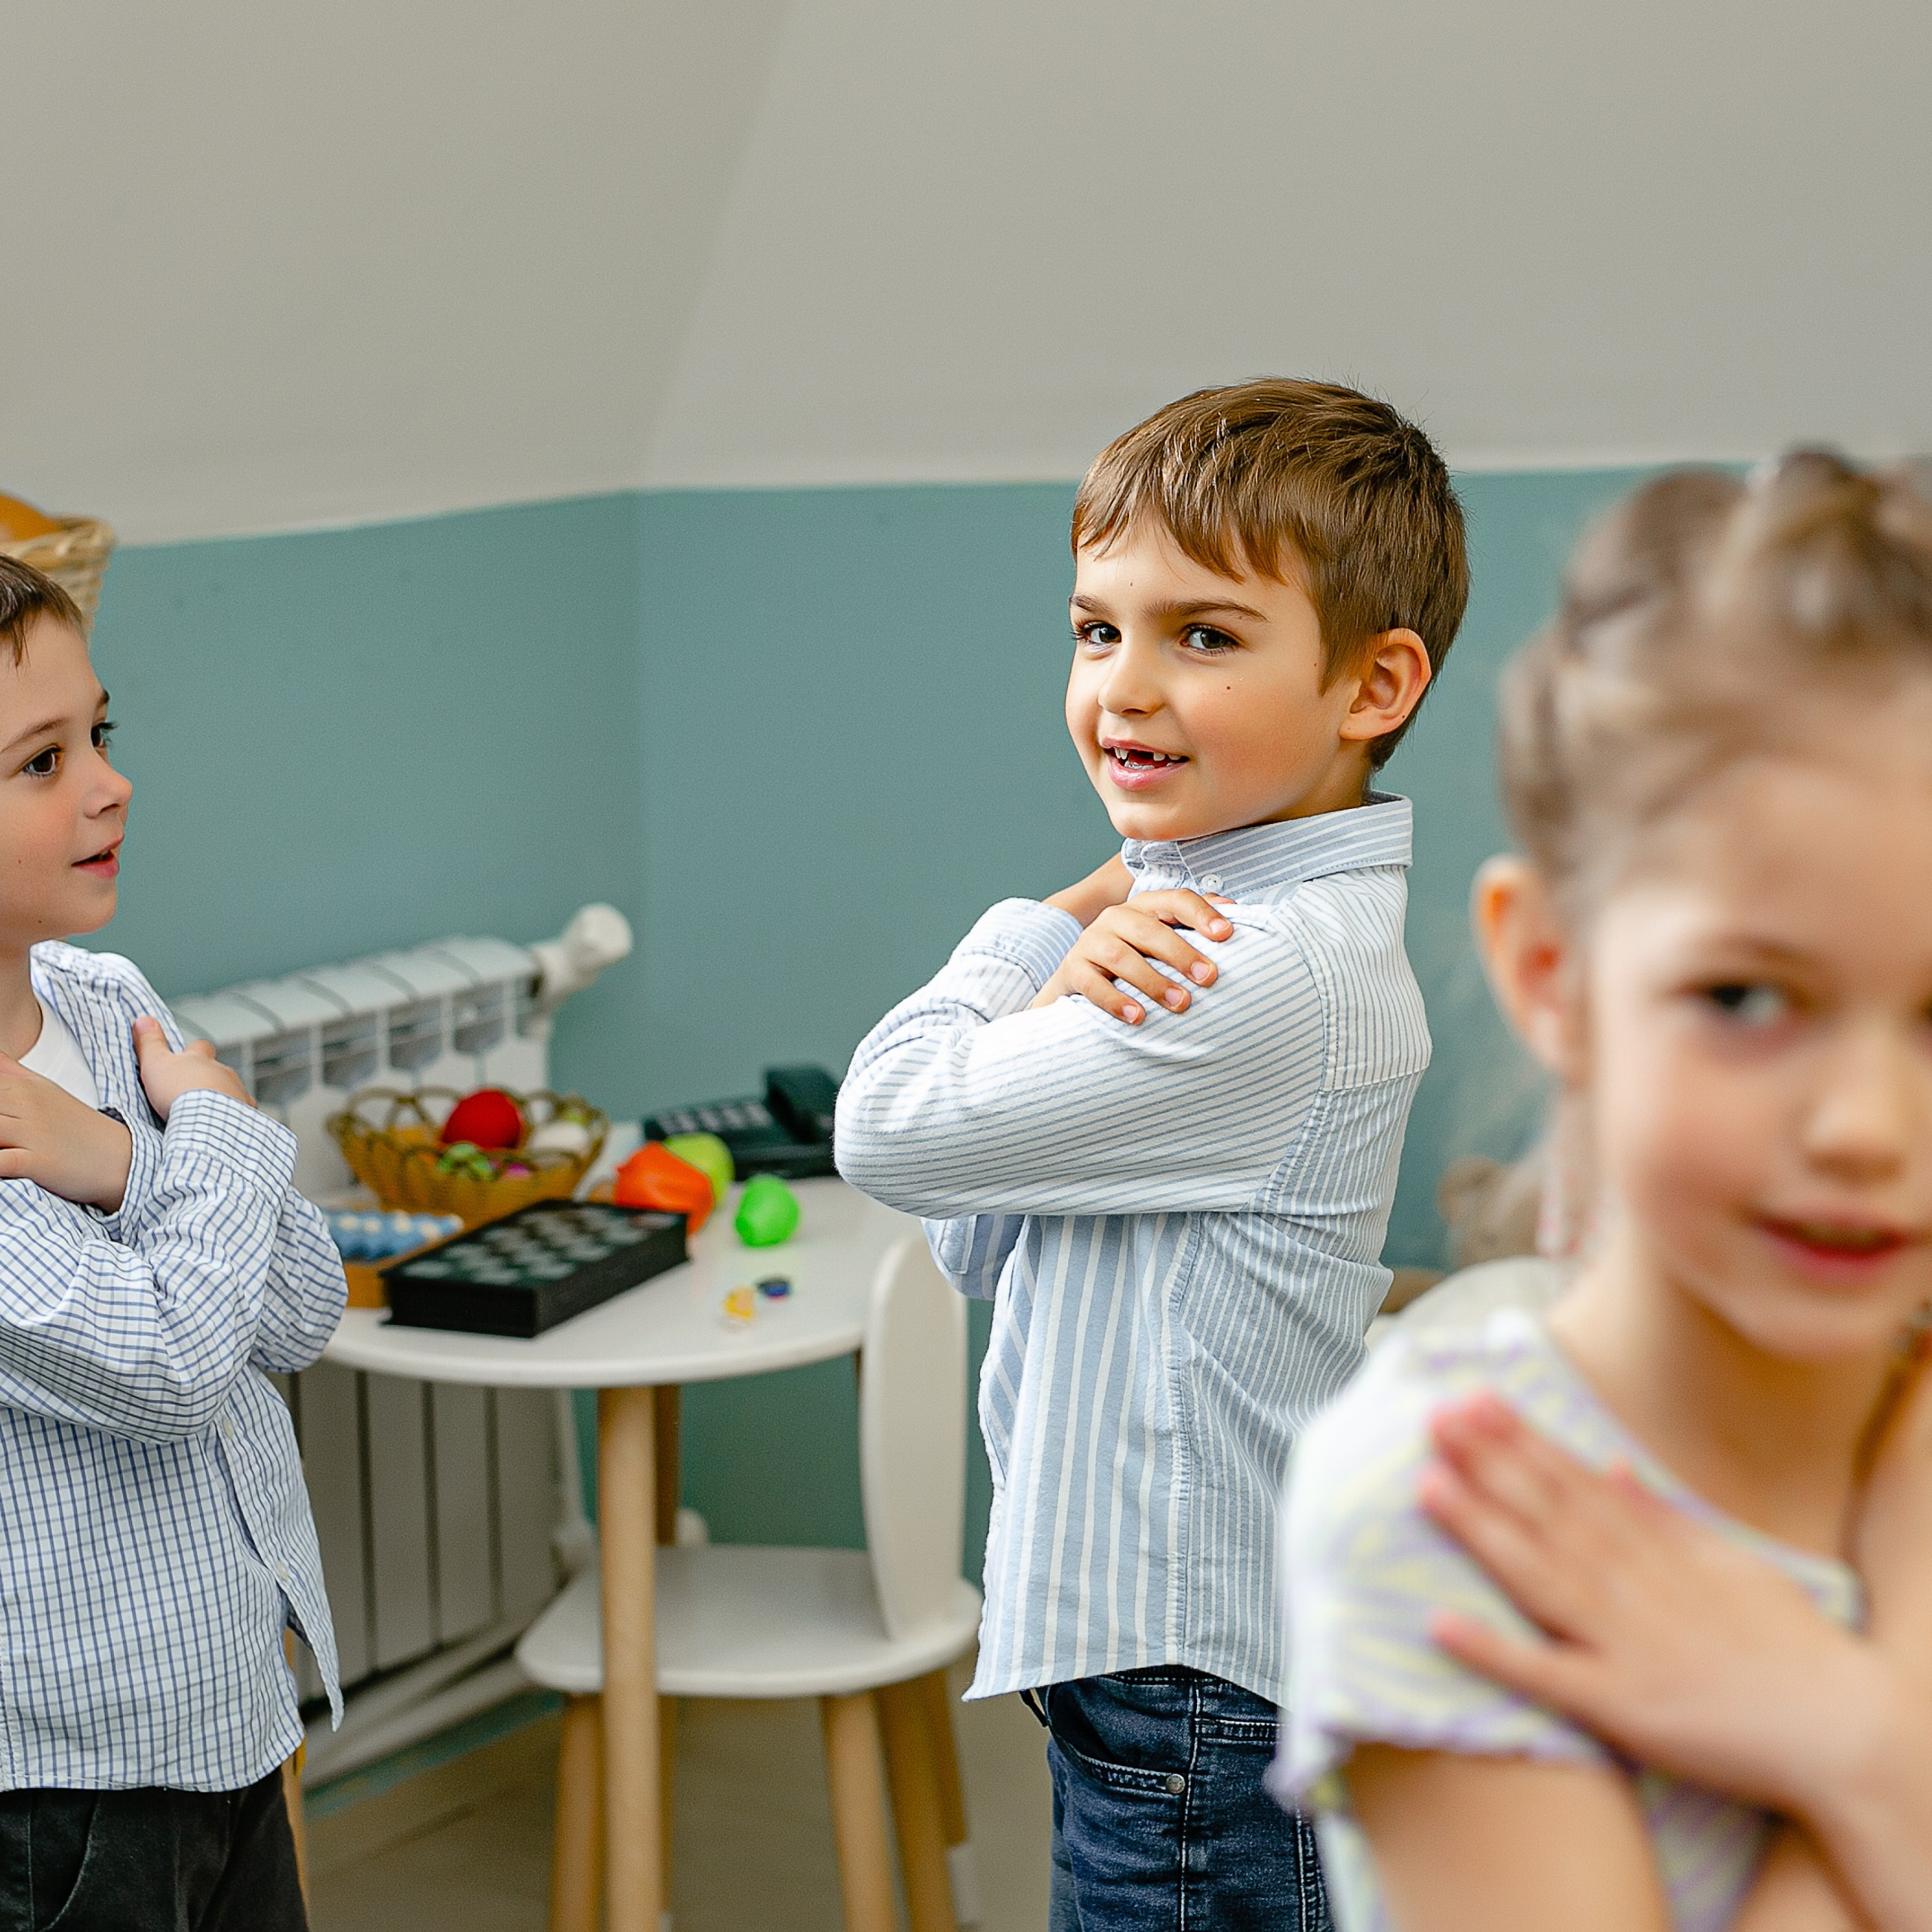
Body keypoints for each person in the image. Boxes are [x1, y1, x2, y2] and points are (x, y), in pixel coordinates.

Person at [835, 378, 1469, 1930]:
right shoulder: (1198, 930)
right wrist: (1071, 961)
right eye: (1095, 628)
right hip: (1169, 1660)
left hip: (1195, 1682)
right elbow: (978, 1227)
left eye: (1202, 634)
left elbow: (888, 1124)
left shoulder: (1236, 970)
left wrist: (1037, 926)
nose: (1123, 685)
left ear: (1371, 682)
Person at [1275, 452, 1932, 1930]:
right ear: (1553, 973)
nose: (1863, 1127)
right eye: (1747, 994)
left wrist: (1842, 1727)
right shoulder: (1454, 1505)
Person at [0, 556, 344, 1930]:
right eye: (39, 761)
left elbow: (303, 1304)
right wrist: (207, 1136)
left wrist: (126, 1157)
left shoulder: (105, 999)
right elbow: (171, 1363)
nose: (108, 784)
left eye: (101, 735)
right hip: (64, 1796)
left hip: (226, 1719)